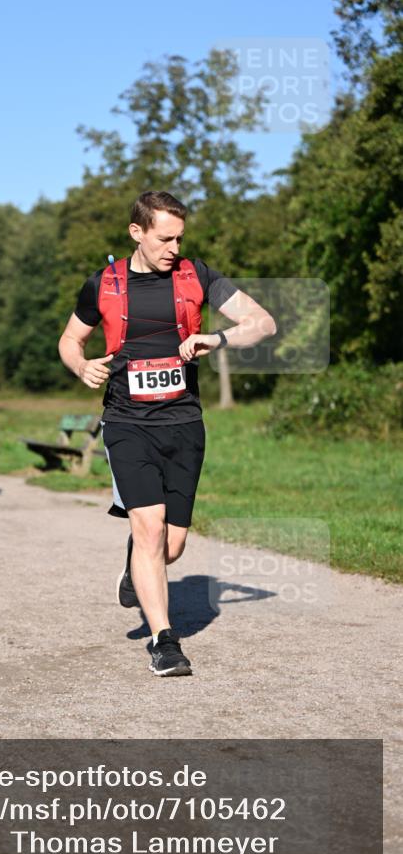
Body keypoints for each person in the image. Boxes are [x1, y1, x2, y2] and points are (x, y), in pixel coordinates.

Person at [58, 191, 277, 677]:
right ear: (136, 232)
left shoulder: (197, 275)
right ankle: (164, 641)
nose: (174, 248)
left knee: (171, 547)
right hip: (126, 421)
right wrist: (81, 365)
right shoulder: (103, 284)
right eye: (164, 239)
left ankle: (135, 564)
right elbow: (70, 339)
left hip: (183, 423)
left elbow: (263, 323)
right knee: (150, 527)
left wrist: (216, 338)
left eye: (179, 238)